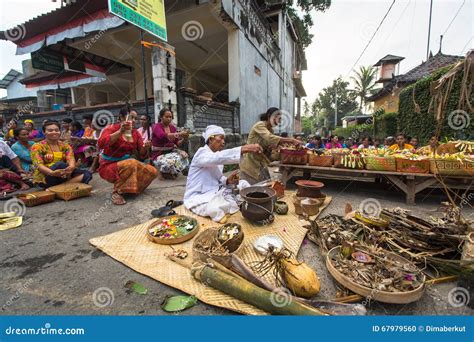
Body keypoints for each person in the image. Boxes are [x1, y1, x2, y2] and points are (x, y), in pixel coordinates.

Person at [184, 125, 263, 223]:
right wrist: (244, 148)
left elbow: (219, 177)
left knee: (243, 184)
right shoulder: (202, 153)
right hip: (199, 196)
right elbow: (218, 157)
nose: (223, 142)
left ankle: (235, 203)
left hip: (216, 191)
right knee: (214, 208)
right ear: (210, 139)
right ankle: (227, 206)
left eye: (223, 139)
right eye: (220, 138)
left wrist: (227, 180)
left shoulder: (216, 156)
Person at [97, 106, 157, 205]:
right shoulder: (111, 128)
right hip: (108, 166)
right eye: (131, 117)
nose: (133, 121)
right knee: (131, 162)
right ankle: (117, 192)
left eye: (135, 118)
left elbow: (142, 154)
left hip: (126, 164)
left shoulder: (135, 133)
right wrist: (120, 132)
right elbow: (101, 144)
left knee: (152, 171)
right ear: (121, 117)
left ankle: (130, 189)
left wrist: (146, 147)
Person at [240, 107, 301, 184]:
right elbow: (270, 138)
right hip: (250, 163)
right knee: (251, 189)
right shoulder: (260, 125)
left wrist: (280, 147)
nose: (278, 120)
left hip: (260, 162)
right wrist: (291, 140)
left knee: (265, 186)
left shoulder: (270, 130)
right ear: (269, 116)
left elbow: (272, 143)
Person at [30, 121, 92, 188]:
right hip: (46, 176)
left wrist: (71, 167)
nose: (54, 132)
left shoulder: (65, 145)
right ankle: (63, 186)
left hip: (63, 174)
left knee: (87, 174)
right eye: (50, 130)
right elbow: (38, 165)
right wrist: (52, 173)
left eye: (56, 130)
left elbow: (70, 158)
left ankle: (58, 188)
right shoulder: (37, 146)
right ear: (44, 132)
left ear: (60, 131)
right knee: (60, 164)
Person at [151, 109, 189, 179]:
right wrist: (179, 134)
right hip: (158, 154)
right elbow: (162, 135)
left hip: (171, 152)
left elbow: (177, 143)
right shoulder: (156, 126)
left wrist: (184, 138)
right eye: (167, 117)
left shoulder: (173, 128)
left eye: (170, 117)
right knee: (170, 162)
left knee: (184, 156)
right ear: (161, 117)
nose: (169, 119)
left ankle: (171, 172)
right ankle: (162, 171)